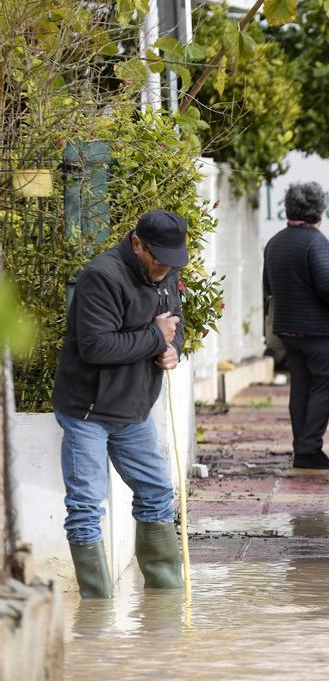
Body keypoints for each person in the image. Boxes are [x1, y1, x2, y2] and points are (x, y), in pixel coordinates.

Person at [52, 210, 188, 599]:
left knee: (158, 494)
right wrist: (155, 338)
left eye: (173, 259)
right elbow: (96, 347)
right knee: (85, 507)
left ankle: (165, 602)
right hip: (87, 413)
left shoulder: (168, 270)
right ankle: (96, 608)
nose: (165, 267)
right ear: (136, 244)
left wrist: (172, 350)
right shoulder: (102, 277)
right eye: (158, 257)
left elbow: (174, 323)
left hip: (134, 410)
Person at [263, 182, 329, 471]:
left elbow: (269, 286)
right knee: (328, 384)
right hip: (319, 333)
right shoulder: (315, 242)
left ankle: (303, 449)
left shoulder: (276, 242)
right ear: (319, 210)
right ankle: (309, 447)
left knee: (302, 389)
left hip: (289, 330)